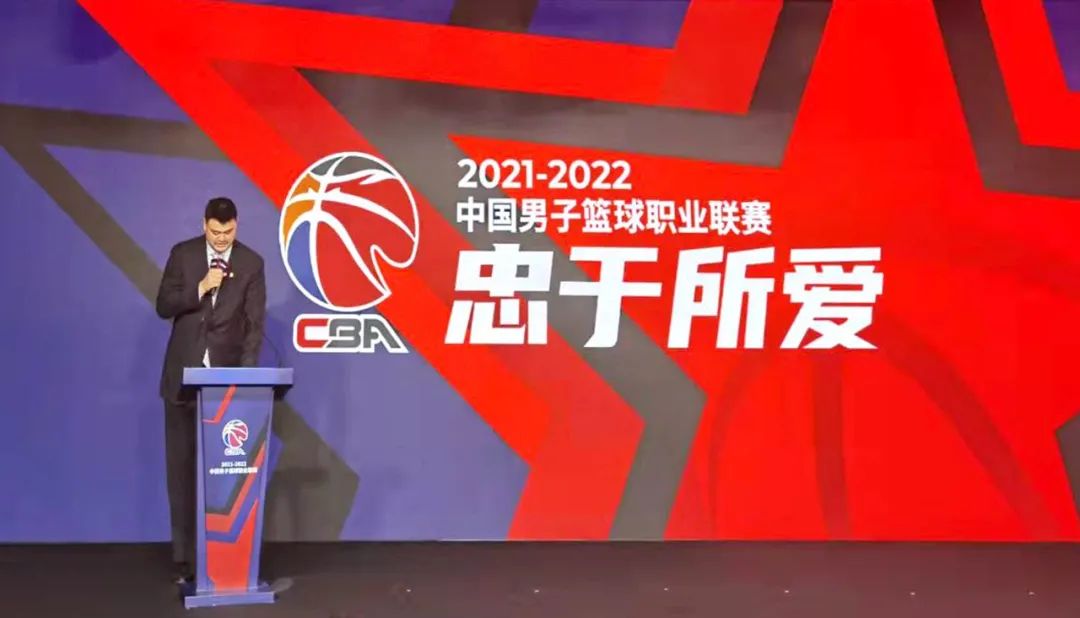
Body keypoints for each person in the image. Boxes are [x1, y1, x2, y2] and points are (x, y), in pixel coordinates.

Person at [154, 197, 265, 584]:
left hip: (226, 385)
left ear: (237, 225)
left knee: (223, 473)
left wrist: (245, 382)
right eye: (215, 232)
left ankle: (224, 556)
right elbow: (163, 305)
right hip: (182, 380)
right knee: (182, 473)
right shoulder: (183, 255)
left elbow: (254, 326)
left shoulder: (251, 263)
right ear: (204, 225)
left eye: (228, 231)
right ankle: (187, 561)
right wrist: (200, 287)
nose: (221, 239)